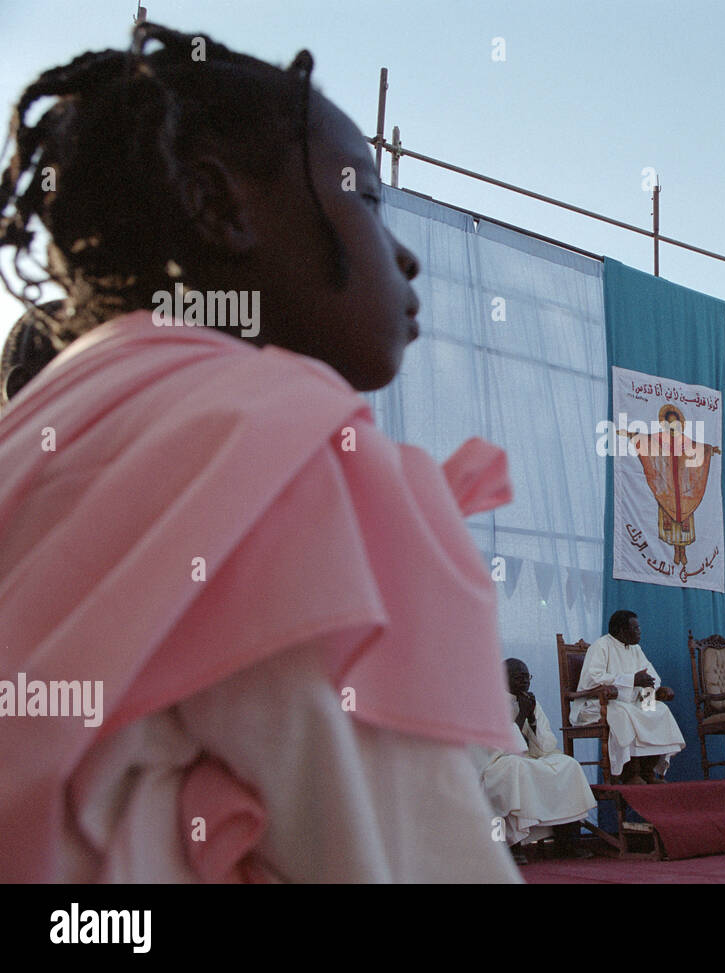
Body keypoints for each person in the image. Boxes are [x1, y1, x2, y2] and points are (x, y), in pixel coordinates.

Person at [0, 23, 520, 882]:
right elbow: (404, 850)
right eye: (368, 199)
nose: (404, 253)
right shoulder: (292, 453)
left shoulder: (51, 422)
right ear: (218, 206)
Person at [470, 660, 597, 864]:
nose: (525, 682)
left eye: (527, 677)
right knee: (515, 768)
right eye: (518, 677)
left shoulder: (530, 701)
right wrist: (520, 717)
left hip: (527, 758)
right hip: (493, 762)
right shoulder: (489, 702)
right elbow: (500, 748)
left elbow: (546, 745)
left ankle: (567, 841)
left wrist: (533, 719)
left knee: (568, 764)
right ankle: (512, 846)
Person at [571, 611, 685, 783]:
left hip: (632, 701)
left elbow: (650, 674)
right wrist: (631, 680)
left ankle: (647, 772)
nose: (640, 631)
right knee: (623, 713)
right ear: (620, 630)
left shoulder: (635, 649)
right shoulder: (601, 646)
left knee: (660, 710)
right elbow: (593, 679)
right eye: (635, 628)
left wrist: (651, 687)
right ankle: (629, 774)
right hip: (598, 703)